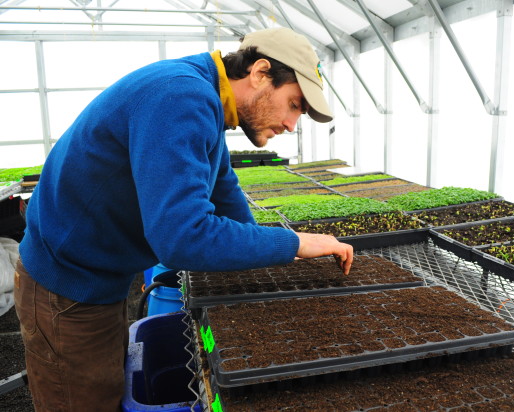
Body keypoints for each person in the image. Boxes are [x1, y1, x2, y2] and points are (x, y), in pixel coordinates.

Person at [14, 27, 353, 411]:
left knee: (108, 386)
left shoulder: (204, 96)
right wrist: (296, 242)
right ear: (260, 73)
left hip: (94, 277)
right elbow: (182, 238)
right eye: (294, 104)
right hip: (66, 290)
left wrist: (270, 256)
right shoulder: (182, 96)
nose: (292, 124)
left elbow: (224, 190)